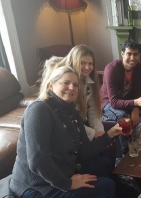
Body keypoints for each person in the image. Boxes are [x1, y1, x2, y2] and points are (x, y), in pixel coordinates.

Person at [10, 66, 121, 198]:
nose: (71, 88)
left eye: (75, 84)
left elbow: (83, 150)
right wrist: (67, 183)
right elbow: (38, 160)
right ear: (51, 85)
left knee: (105, 167)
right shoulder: (39, 110)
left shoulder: (72, 113)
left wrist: (108, 135)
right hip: (36, 186)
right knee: (106, 186)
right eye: (66, 83)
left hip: (62, 173)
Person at [42, 45, 119, 177]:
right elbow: (68, 121)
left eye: (90, 64)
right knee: (101, 148)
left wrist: (99, 131)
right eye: (82, 63)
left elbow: (94, 111)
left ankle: (112, 174)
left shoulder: (90, 81)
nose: (87, 67)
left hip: (82, 122)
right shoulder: (66, 87)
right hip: (72, 127)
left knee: (110, 135)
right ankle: (98, 172)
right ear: (74, 61)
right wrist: (93, 133)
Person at [101, 40, 141, 155]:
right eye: (129, 54)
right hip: (108, 102)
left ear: (139, 55)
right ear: (122, 54)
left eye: (135, 54)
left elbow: (139, 91)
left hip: (129, 101)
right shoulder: (111, 69)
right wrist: (135, 103)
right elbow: (114, 102)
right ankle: (126, 153)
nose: (132, 58)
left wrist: (136, 108)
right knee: (124, 117)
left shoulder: (140, 68)